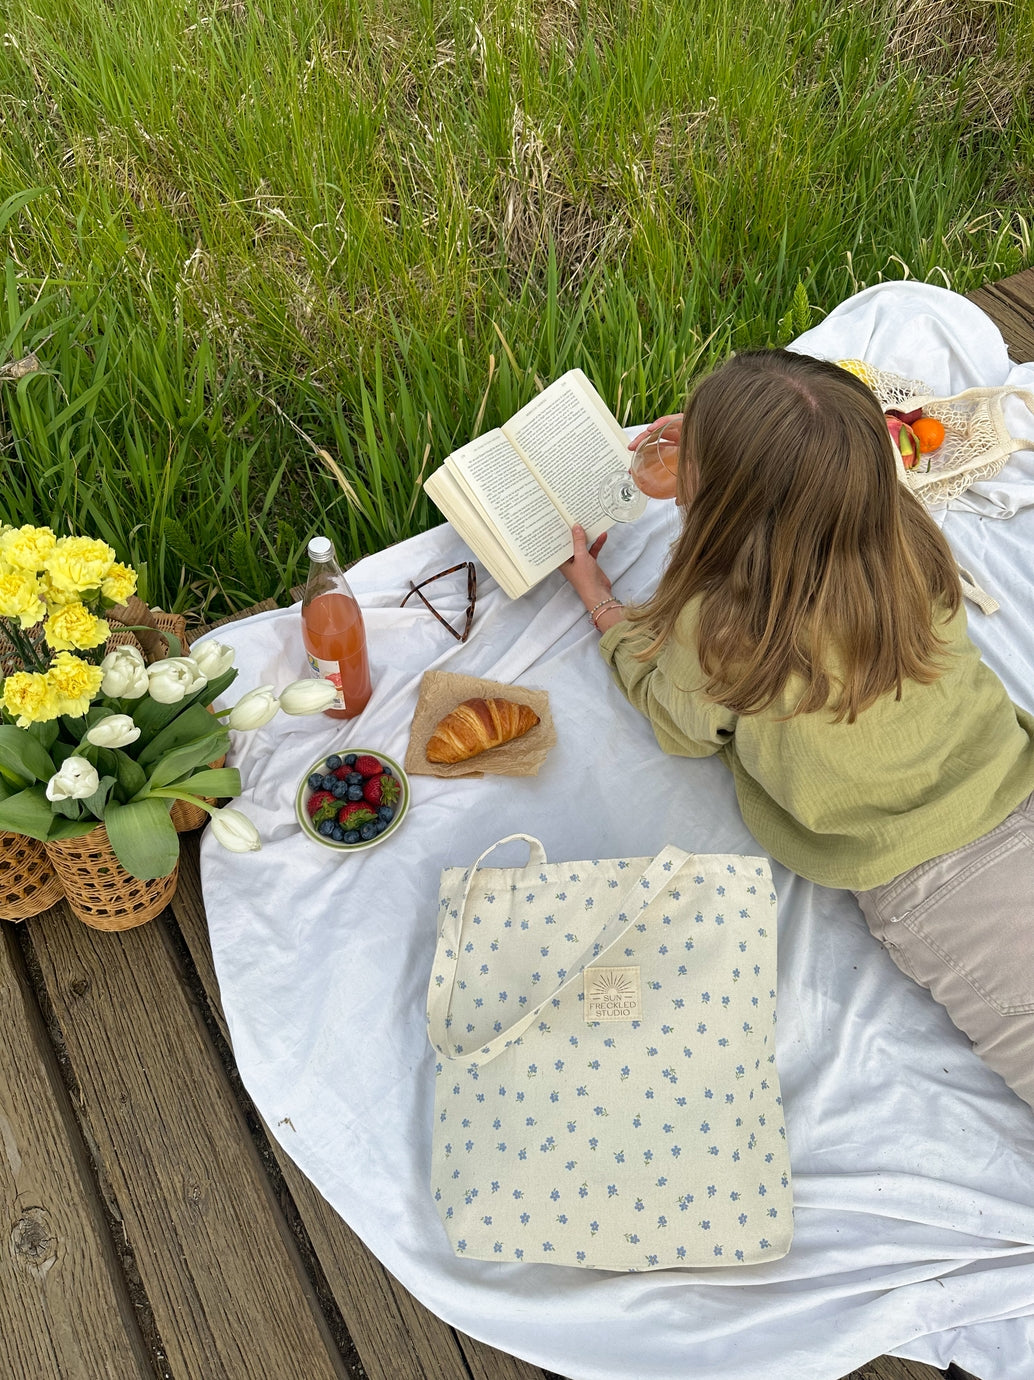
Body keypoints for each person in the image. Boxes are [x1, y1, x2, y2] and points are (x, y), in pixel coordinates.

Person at [561, 348, 1034, 1109]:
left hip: (935, 880)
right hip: (1016, 772)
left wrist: (603, 606)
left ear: (716, 504)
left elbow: (682, 730)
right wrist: (729, 451)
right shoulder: (906, 530)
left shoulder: (718, 627)